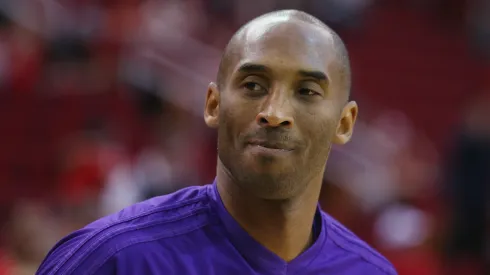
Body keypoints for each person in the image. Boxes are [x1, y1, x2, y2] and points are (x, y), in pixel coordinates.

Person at [37, 10, 397, 275]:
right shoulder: (111, 260)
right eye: (253, 86)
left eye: (306, 91)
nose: (274, 112)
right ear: (213, 105)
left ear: (345, 123)